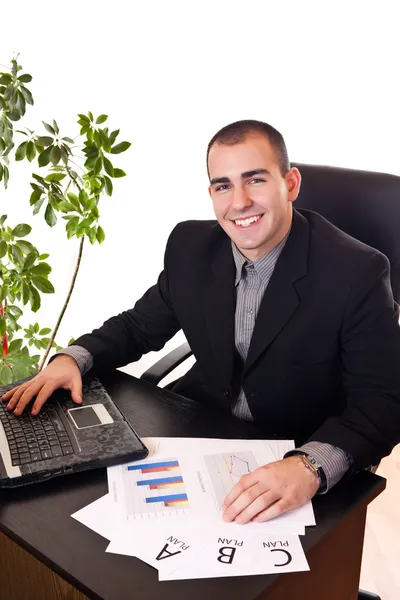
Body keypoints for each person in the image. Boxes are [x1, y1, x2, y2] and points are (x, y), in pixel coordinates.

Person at [2, 120, 400, 525]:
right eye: (223, 186)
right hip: (200, 428)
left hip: (294, 447)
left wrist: (311, 465)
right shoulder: (190, 246)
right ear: (211, 194)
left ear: (291, 184)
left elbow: (385, 401)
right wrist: (73, 358)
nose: (240, 202)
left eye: (255, 180)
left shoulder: (357, 272)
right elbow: (138, 326)